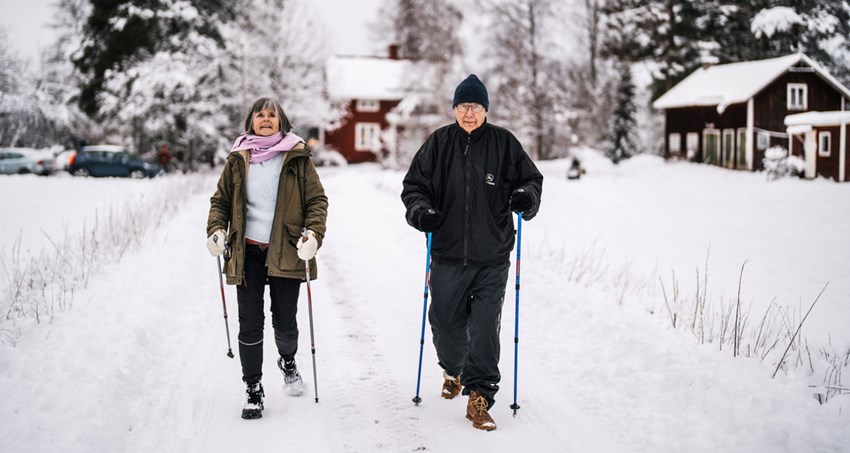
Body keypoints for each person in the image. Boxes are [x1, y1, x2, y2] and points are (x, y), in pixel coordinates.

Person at [401, 74, 543, 431]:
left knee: (484, 328)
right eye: (463, 106)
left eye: (476, 107)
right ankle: (453, 369)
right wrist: (422, 211)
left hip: (492, 256)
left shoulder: (504, 144)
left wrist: (527, 198)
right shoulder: (438, 143)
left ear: (485, 110)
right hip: (447, 254)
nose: (469, 113)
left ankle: (480, 395)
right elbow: (414, 187)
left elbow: (531, 180)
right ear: (454, 109)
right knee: (446, 325)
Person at [206, 97, 328, 420]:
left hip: (287, 250)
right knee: (250, 323)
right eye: (259, 114)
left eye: (271, 115)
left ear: (281, 122)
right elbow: (220, 201)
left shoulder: (297, 157)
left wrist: (313, 235)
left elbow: (317, 201)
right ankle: (253, 387)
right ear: (251, 121)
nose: (265, 119)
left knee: (285, 323)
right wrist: (217, 229)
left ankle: (288, 361)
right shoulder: (238, 158)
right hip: (247, 252)